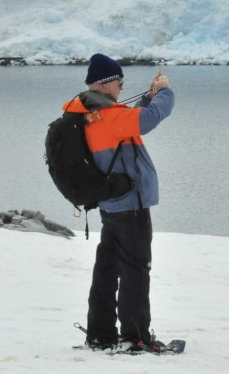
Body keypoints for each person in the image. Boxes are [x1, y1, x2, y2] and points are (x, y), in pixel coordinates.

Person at [62, 53, 174, 352]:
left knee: (108, 270)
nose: (122, 88)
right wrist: (164, 91)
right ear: (106, 82)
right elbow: (147, 120)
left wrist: (148, 99)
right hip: (129, 206)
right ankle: (136, 337)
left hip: (112, 204)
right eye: (119, 83)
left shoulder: (89, 112)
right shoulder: (107, 116)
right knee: (136, 270)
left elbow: (127, 124)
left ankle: (100, 334)